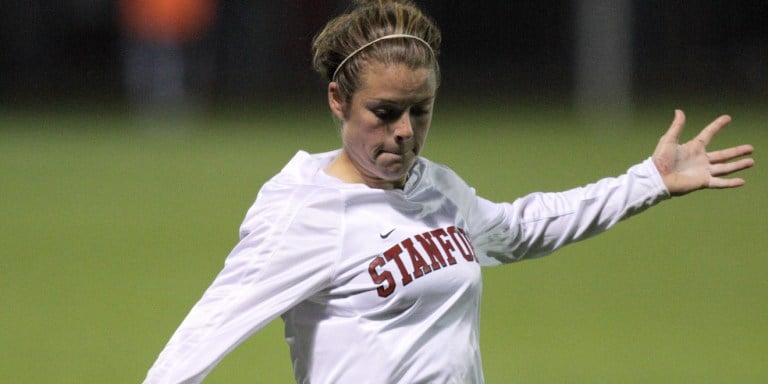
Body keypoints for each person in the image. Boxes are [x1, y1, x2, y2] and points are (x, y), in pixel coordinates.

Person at [142, 1, 754, 383]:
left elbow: (518, 229)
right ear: (337, 100)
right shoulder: (305, 212)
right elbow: (203, 335)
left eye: (420, 110)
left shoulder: (434, 189)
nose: (405, 132)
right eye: (384, 111)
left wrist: (647, 182)